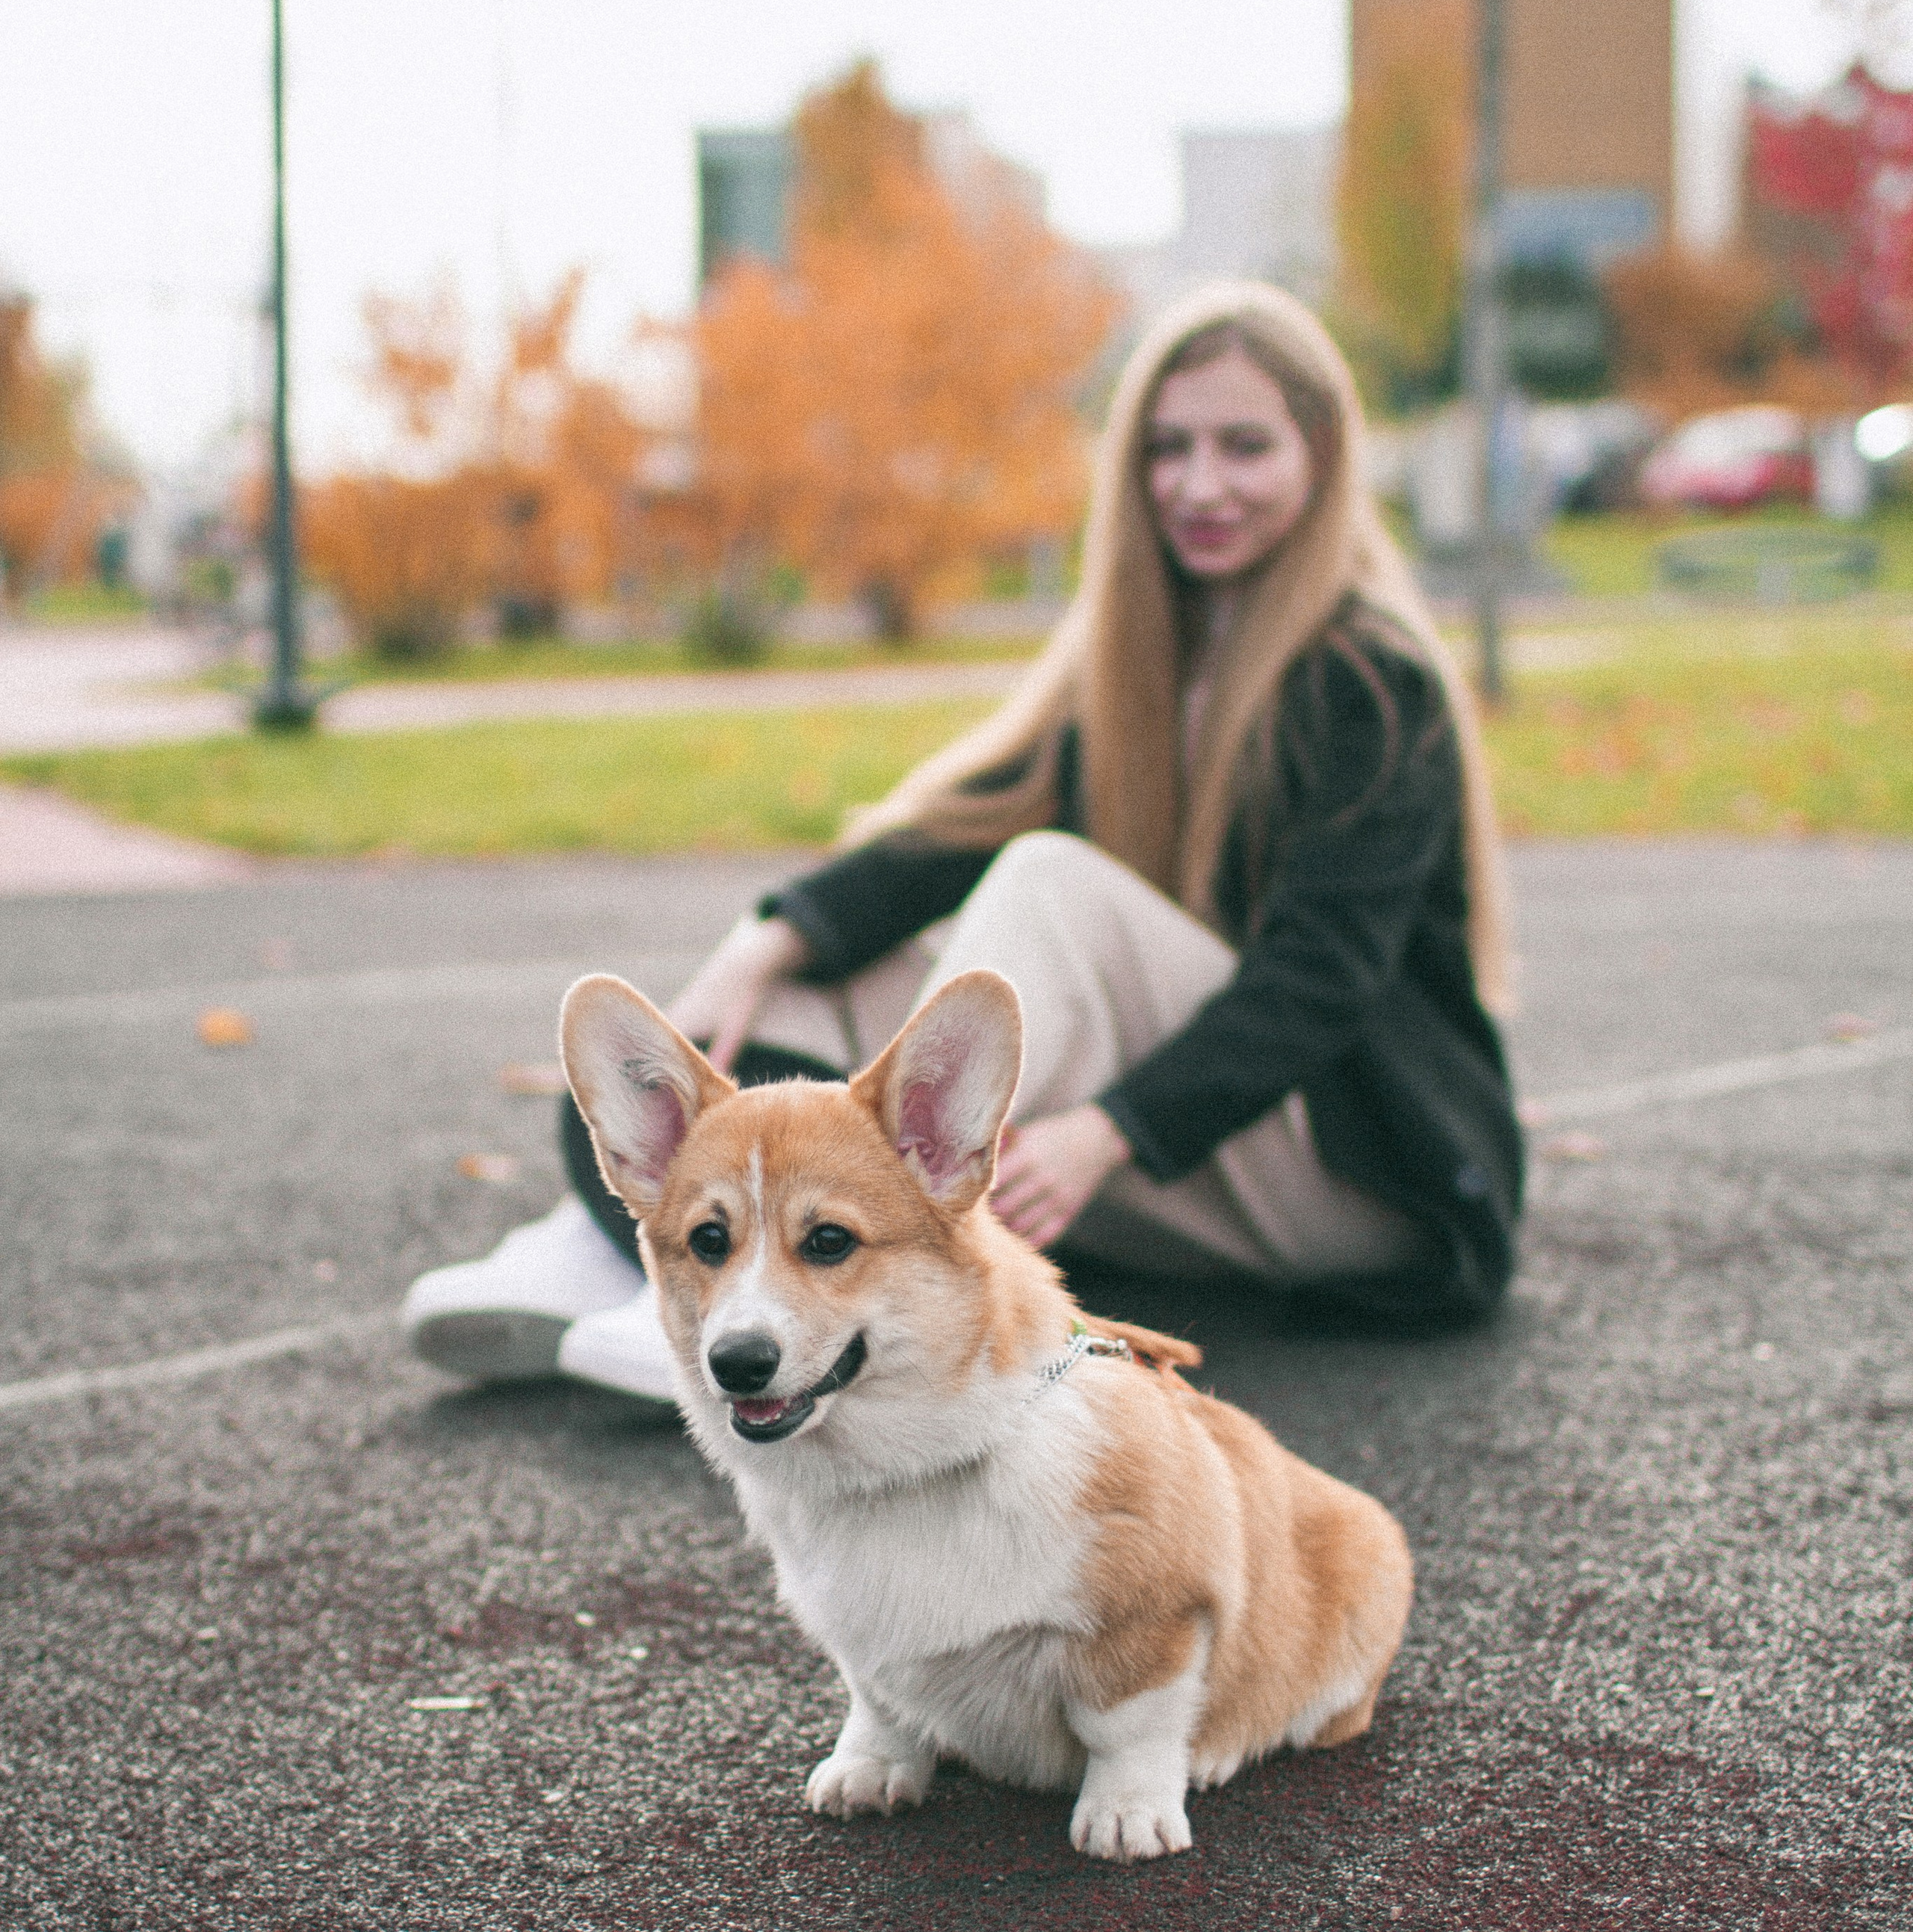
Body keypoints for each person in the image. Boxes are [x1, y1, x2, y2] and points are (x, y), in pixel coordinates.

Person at [402, 280, 1523, 1401]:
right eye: (1168, 449)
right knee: (781, 1026)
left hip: (1370, 1184)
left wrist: (1109, 1131)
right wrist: (768, 941)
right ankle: (624, 1250)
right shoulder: (1144, 660)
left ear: (1324, 457)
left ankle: (732, 1300)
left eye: (1245, 446)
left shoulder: (1373, 681)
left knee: (1049, 888)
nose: (1200, 484)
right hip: (1204, 1161)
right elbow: (962, 827)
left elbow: (1317, 982)